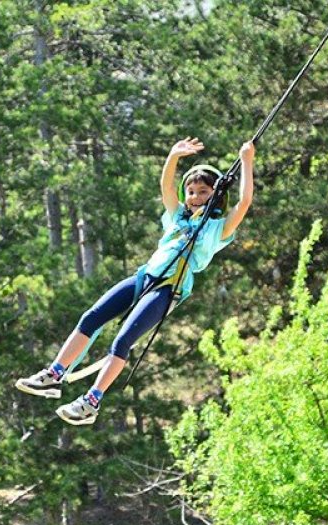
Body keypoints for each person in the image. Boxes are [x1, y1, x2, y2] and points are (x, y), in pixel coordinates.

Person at [16, 137, 255, 425]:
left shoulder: (217, 229)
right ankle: (54, 374)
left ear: (215, 196)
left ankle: (91, 401)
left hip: (169, 289)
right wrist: (172, 157)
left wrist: (247, 161)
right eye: (190, 191)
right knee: (91, 317)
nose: (193, 196)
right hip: (144, 276)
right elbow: (166, 187)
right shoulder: (176, 217)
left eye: (202, 192)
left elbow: (244, 203)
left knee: (122, 340)